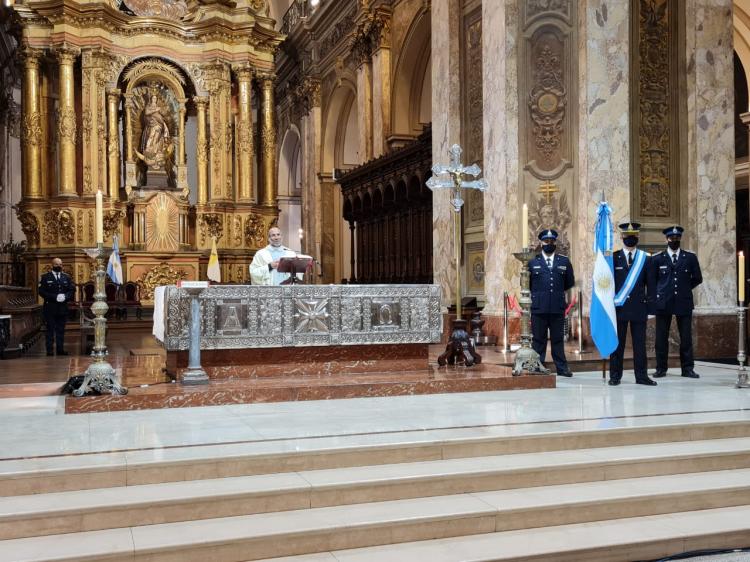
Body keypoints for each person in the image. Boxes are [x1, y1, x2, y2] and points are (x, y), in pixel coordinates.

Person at [648, 225, 703, 379]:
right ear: (667, 239)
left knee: (686, 337)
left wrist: (685, 288)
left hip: (683, 302)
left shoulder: (690, 257)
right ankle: (661, 368)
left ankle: (687, 369)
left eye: (677, 238)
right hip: (663, 302)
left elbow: (698, 278)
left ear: (680, 239)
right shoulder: (657, 258)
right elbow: (652, 281)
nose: (674, 240)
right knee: (661, 338)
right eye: (672, 238)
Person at [608, 222, 656, 386]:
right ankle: (615, 376)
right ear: (622, 237)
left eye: (633, 236)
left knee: (639, 345)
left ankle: (641, 376)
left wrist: (651, 308)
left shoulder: (646, 258)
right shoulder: (613, 258)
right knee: (617, 345)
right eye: (627, 236)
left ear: (637, 237)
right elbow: (608, 284)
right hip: (619, 308)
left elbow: (651, 285)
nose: (630, 238)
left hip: (638, 307)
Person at [529, 229, 575, 377]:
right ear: (541, 243)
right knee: (538, 340)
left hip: (557, 307)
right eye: (546, 241)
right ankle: (537, 366)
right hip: (539, 308)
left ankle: (562, 368)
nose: (549, 244)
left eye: (551, 241)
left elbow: (569, 283)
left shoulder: (564, 261)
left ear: (555, 243)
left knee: (557, 339)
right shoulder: (532, 262)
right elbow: (527, 284)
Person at [38, 257, 76, 356]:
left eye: (60, 264)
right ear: (52, 265)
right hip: (50, 307)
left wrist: (65, 296)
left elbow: (72, 290)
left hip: (62, 308)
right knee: (50, 329)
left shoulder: (66, 277)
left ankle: (60, 349)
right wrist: (55, 297)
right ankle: (49, 350)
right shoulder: (45, 277)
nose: (59, 266)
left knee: (61, 330)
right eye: (56, 264)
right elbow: (41, 291)